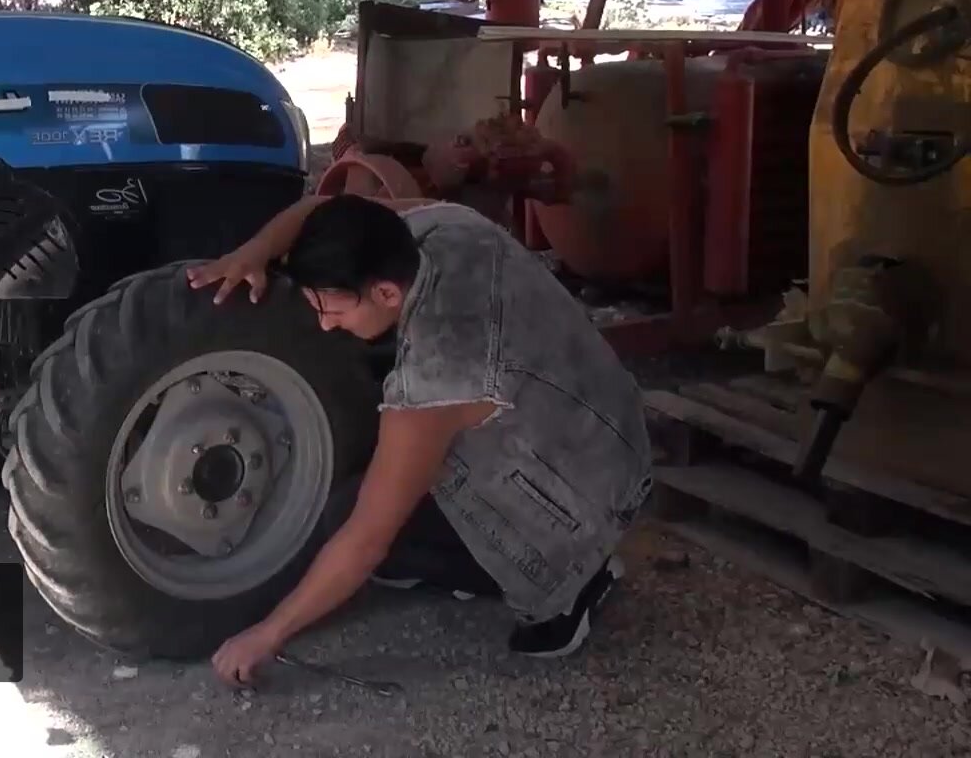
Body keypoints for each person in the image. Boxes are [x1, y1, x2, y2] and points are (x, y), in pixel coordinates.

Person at [188, 193, 654, 686]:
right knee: (378, 483)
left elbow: (366, 540)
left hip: (586, 504)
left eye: (333, 308)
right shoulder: (448, 226)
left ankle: (576, 584)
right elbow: (327, 205)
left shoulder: (435, 381)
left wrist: (265, 634)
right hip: (615, 428)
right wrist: (255, 251)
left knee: (353, 517)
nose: (324, 322)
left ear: (387, 293)